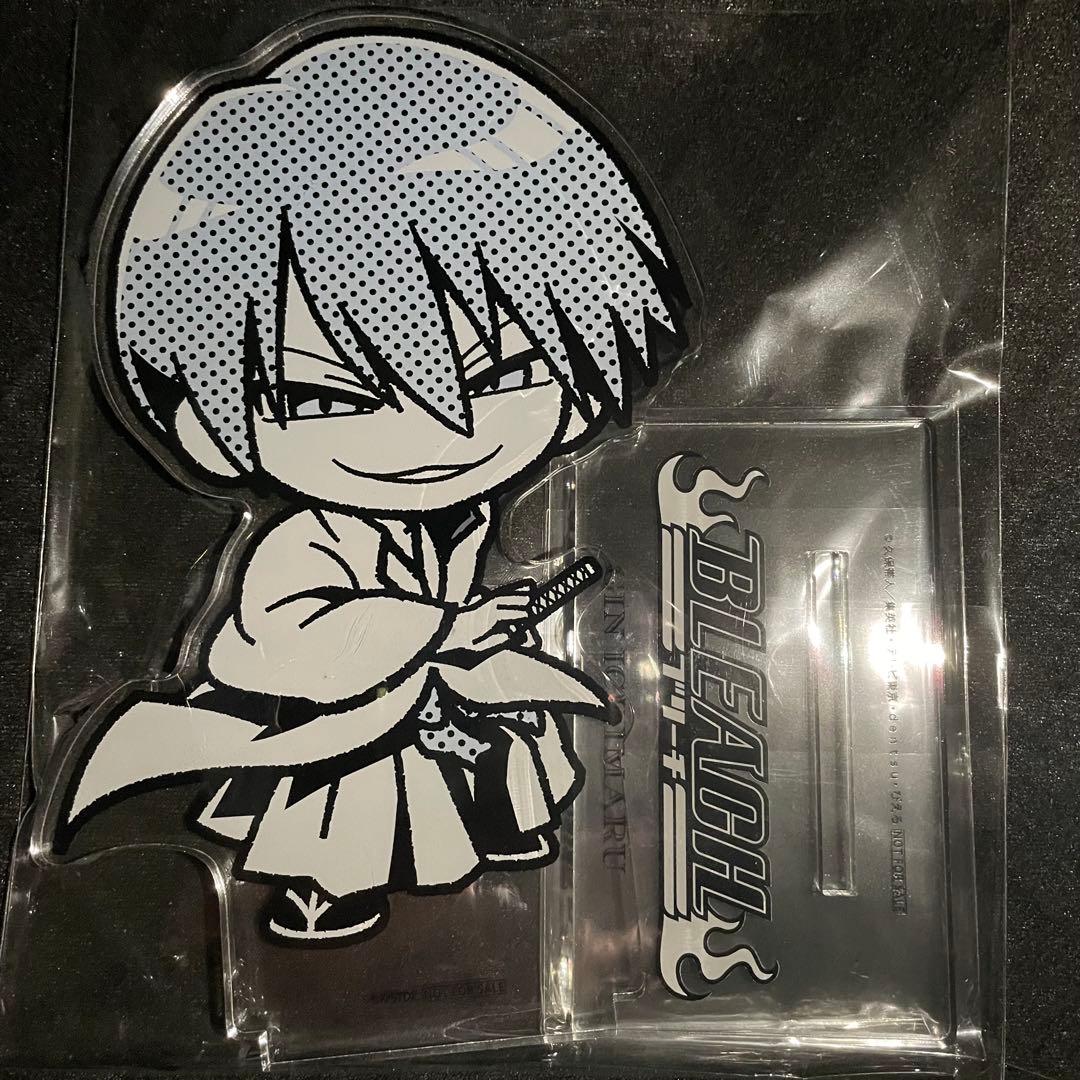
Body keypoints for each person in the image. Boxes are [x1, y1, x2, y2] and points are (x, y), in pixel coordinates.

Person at [66, 30, 690, 943]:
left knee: (486, 754)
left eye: (504, 371)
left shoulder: (465, 519)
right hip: (348, 712)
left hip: (427, 692)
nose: (437, 431)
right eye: (325, 396)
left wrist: (471, 624)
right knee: (349, 806)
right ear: (204, 418)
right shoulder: (301, 539)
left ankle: (493, 829)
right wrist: (439, 629)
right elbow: (281, 640)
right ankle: (328, 892)